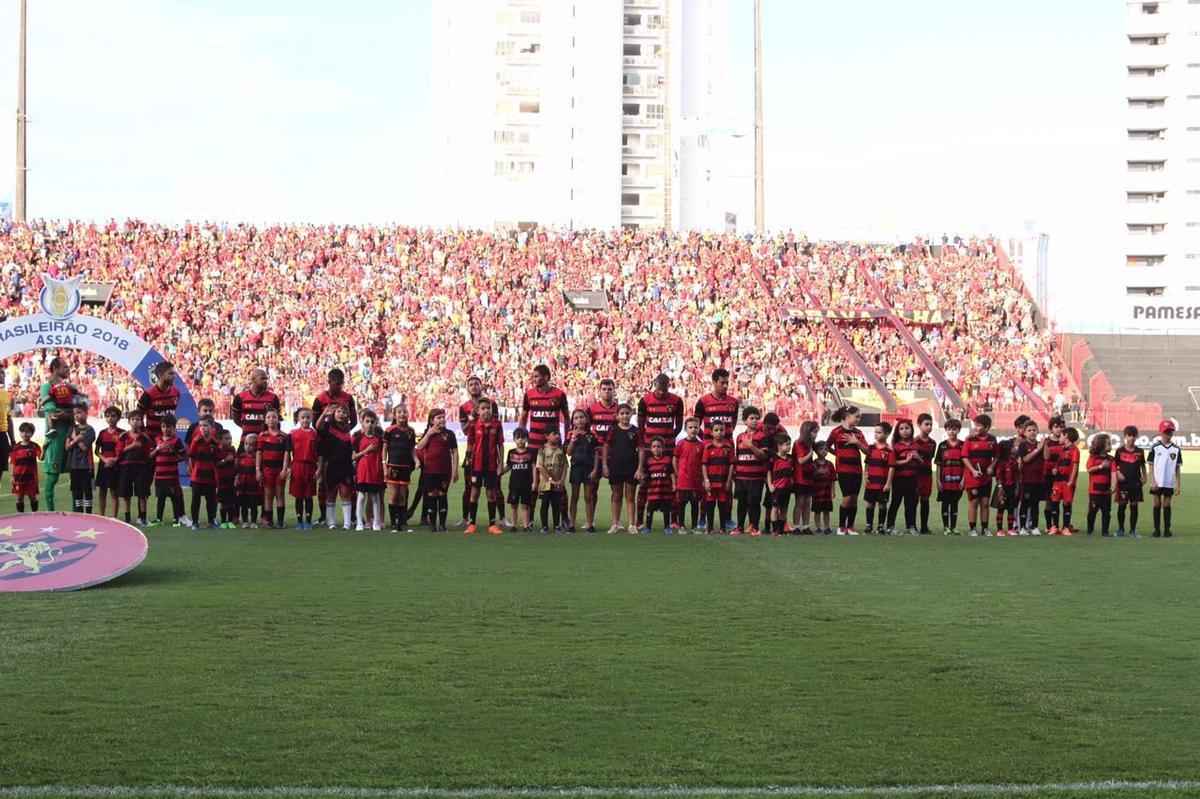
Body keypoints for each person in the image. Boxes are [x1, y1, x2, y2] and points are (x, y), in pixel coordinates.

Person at [635, 373, 685, 530]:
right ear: (654, 384)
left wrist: (669, 438)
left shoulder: (677, 401)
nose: (661, 392)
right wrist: (646, 444)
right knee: (644, 483)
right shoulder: (645, 401)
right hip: (650, 449)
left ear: (668, 386)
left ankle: (674, 519)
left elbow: (678, 425)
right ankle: (640, 520)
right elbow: (641, 424)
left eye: (664, 389)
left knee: (671, 483)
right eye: (659, 389)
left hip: (669, 449)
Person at [39, 357, 74, 511]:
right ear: (55, 369)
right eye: (65, 367)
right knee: (52, 477)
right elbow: (51, 411)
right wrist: (67, 414)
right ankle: (50, 512)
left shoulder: (69, 388)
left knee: (77, 475)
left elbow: (78, 411)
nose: (68, 370)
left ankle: (77, 512)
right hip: (55, 437)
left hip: (70, 434)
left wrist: (67, 414)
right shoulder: (46, 387)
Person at [465, 398, 505, 535]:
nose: (486, 410)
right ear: (477, 411)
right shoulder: (474, 425)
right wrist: (468, 459)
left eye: (488, 408)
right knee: (474, 493)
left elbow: (500, 445)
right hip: (477, 465)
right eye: (483, 408)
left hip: (492, 466)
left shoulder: (497, 425)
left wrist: (501, 463)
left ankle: (492, 524)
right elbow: (470, 444)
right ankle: (472, 524)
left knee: (491, 494)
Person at [414, 408, 458, 532]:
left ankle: (443, 524)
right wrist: (428, 434)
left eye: (443, 417)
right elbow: (419, 446)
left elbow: (454, 452)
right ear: (432, 420)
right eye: (438, 418)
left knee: (442, 495)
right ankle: (433, 524)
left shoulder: (449, 434)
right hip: (430, 471)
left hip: (445, 471)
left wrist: (455, 470)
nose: (442, 420)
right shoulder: (428, 433)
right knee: (431, 497)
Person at [827, 405, 869, 534]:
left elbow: (867, 451)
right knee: (847, 498)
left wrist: (857, 442)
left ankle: (850, 527)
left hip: (857, 469)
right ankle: (841, 527)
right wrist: (838, 455)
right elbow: (826, 447)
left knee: (854, 499)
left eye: (859, 417)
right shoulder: (836, 432)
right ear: (847, 416)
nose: (858, 419)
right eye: (856, 416)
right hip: (843, 470)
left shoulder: (858, 433)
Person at [585, 379, 619, 528]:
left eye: (609, 389)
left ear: (614, 390)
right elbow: (585, 430)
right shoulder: (592, 410)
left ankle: (615, 523)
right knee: (592, 489)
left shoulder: (619, 410)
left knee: (616, 489)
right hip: (595, 455)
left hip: (614, 455)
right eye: (604, 389)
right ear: (599, 391)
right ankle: (590, 522)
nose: (607, 391)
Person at [318, 404, 356, 531]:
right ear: (334, 414)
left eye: (344, 412)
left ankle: (347, 523)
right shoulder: (328, 427)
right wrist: (324, 414)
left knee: (346, 493)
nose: (341, 414)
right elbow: (318, 426)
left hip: (345, 465)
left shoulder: (348, 430)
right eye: (339, 411)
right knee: (331, 493)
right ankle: (331, 522)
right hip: (331, 465)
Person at [602, 404, 639, 534]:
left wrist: (639, 468)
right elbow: (606, 447)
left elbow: (641, 451)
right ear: (617, 416)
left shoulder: (635, 431)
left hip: (631, 466)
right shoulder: (612, 430)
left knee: (630, 496)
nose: (624, 416)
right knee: (616, 495)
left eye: (627, 413)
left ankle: (632, 524)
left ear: (631, 414)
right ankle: (615, 523)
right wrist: (605, 465)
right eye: (622, 413)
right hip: (615, 466)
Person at [733, 406, 769, 536]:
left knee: (754, 502)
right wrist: (735, 473)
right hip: (741, 477)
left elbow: (764, 456)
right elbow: (738, 456)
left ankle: (754, 527)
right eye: (751, 418)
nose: (754, 421)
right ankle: (740, 527)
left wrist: (751, 446)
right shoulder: (739, 437)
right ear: (744, 420)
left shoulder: (762, 437)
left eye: (756, 418)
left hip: (755, 477)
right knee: (741, 503)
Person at [150, 413, 190, 528]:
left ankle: (176, 519)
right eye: (163, 426)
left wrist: (173, 452)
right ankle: (158, 518)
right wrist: (157, 449)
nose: (166, 429)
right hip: (159, 476)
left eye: (169, 427)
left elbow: (183, 456)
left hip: (172, 476)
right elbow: (150, 455)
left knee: (174, 497)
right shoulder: (157, 440)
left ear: (174, 427)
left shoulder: (176, 441)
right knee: (160, 498)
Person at [456, 375, 485, 527]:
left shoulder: (490, 404)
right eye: (471, 384)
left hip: (488, 450)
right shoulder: (463, 408)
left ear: (481, 386)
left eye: (476, 384)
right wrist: (473, 418)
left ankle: (500, 518)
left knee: (494, 486)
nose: (474, 386)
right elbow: (465, 431)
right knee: (468, 486)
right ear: (468, 388)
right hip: (471, 451)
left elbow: (495, 423)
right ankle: (465, 518)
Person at [116, 409, 153, 526]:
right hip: (126, 467)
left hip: (141, 467)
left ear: (142, 422)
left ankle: (143, 517)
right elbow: (119, 452)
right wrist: (132, 446)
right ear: (129, 421)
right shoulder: (123, 436)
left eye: (138, 419)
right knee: (126, 494)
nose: (136, 422)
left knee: (142, 494)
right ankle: (127, 518)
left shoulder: (145, 437)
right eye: (133, 419)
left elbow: (148, 453)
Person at [565, 409, 600, 533]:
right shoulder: (570, 434)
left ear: (586, 419)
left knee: (588, 497)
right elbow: (568, 452)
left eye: (581, 417)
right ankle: (571, 524)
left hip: (589, 469)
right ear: (573, 420)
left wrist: (595, 469)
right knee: (574, 497)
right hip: (576, 468)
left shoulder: (592, 434)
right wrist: (572, 441)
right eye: (576, 418)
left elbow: (596, 453)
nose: (579, 420)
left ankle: (590, 524)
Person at [383, 405, 417, 532]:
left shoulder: (411, 431)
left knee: (403, 495)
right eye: (399, 412)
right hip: (393, 466)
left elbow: (412, 449)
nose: (402, 414)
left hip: (405, 467)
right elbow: (384, 449)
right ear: (395, 415)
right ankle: (393, 523)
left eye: (404, 412)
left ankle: (401, 523)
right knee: (394, 495)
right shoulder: (389, 430)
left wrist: (416, 460)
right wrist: (384, 464)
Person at [256, 410, 292, 528]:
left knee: (280, 494)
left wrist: (284, 469)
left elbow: (287, 454)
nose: (271, 419)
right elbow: (259, 454)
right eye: (268, 417)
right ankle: (269, 521)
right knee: (268, 495)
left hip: (279, 470)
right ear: (265, 420)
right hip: (267, 470)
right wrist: (258, 470)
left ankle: (280, 522)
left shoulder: (284, 436)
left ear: (278, 419)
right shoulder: (262, 436)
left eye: (274, 417)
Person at [963, 414, 997, 536]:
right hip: (973, 477)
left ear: (987, 428)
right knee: (974, 503)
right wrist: (972, 470)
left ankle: (985, 528)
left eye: (979, 425)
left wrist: (991, 466)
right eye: (975, 425)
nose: (976, 428)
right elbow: (964, 457)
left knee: (985, 503)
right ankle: (972, 529)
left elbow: (997, 456)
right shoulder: (969, 439)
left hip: (986, 478)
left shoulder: (992, 439)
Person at [886, 419, 922, 535]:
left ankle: (911, 526)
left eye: (907, 428)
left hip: (913, 478)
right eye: (901, 429)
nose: (905, 431)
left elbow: (922, 463)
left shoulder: (916, 445)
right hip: (899, 479)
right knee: (895, 502)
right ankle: (890, 526)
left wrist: (918, 458)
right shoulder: (895, 446)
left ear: (911, 430)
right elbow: (892, 463)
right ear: (898, 431)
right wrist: (906, 461)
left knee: (911, 503)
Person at [1148, 420, 1183, 538]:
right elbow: (1151, 465)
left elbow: (1177, 468)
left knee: (1167, 505)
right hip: (1157, 481)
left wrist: (1178, 484)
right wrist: (1152, 480)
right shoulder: (1155, 447)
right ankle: (1156, 530)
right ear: (1161, 432)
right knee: (1156, 504)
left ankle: (1167, 529)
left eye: (1170, 432)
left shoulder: (1176, 449)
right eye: (1166, 432)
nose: (1168, 435)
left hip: (1169, 482)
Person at [352, 410, 385, 532]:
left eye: (372, 421)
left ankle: (376, 522)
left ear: (376, 423)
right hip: (362, 472)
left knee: (375, 497)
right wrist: (366, 451)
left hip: (375, 471)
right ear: (362, 422)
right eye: (367, 421)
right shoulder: (358, 438)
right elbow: (354, 457)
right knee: (361, 497)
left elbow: (383, 455)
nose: (370, 424)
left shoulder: (379, 439)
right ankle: (360, 523)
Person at [701, 419, 735, 534]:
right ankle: (709, 527)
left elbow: (731, 465)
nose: (719, 432)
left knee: (722, 505)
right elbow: (704, 465)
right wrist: (706, 480)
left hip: (723, 482)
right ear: (711, 432)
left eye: (721, 430)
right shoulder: (708, 447)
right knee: (710, 505)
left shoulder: (728, 446)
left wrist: (729, 480)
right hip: (711, 482)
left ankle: (722, 528)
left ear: (725, 431)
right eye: (716, 430)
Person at [289, 408, 320, 530]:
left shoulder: (314, 434)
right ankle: (299, 521)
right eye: (303, 417)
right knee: (298, 496)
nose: (305, 420)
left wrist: (318, 469)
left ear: (311, 419)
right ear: (298, 419)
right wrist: (288, 467)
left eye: (308, 417)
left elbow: (319, 453)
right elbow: (288, 452)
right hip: (297, 466)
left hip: (310, 467)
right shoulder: (293, 434)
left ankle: (308, 521)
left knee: (308, 496)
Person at [673, 417, 705, 533]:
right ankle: (681, 526)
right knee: (681, 504)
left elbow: (703, 463)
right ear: (686, 429)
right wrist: (677, 473)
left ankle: (694, 526)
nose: (693, 429)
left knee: (695, 504)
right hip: (683, 481)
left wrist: (702, 478)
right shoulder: (681, 443)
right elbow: (675, 459)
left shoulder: (701, 445)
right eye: (690, 427)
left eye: (696, 427)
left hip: (696, 481)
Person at [935, 419, 966, 535]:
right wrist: (938, 480)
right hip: (945, 481)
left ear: (958, 430)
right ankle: (946, 527)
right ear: (946, 430)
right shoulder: (942, 445)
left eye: (954, 429)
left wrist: (964, 480)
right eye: (949, 429)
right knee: (945, 503)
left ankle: (953, 527)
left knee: (954, 504)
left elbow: (966, 465)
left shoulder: (963, 445)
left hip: (958, 481)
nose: (952, 432)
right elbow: (938, 465)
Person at [187, 418, 220, 529]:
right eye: (201, 426)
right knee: (195, 500)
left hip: (210, 476)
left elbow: (217, 457)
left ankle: (212, 520)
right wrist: (191, 470)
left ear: (211, 428)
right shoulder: (196, 440)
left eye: (205, 425)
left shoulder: (215, 442)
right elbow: (191, 455)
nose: (203, 428)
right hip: (197, 476)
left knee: (211, 500)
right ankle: (195, 522)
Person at [231, 368, 282, 439]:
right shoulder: (240, 397)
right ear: (253, 380)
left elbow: (277, 419)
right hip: (246, 441)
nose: (265, 381)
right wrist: (246, 427)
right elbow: (235, 418)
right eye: (262, 378)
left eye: (266, 379)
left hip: (266, 441)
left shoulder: (273, 398)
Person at [862, 422, 894, 535]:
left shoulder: (889, 451)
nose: (876, 434)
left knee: (882, 504)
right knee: (870, 503)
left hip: (882, 484)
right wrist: (865, 476)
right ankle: (868, 525)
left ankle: (880, 526)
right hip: (871, 482)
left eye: (879, 432)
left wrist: (888, 484)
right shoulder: (870, 448)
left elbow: (891, 468)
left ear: (887, 434)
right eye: (875, 432)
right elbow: (866, 464)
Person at [1115, 425, 1147, 537]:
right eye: (1129, 435)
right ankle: (1120, 529)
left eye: (1134, 436)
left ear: (1136, 437)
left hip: (1136, 483)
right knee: (1122, 506)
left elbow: (1143, 465)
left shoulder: (1140, 451)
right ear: (1125, 436)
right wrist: (1118, 474)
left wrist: (1145, 477)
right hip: (1123, 484)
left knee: (1134, 506)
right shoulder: (1119, 451)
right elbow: (1115, 466)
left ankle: (1133, 530)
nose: (1131, 438)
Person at [501, 427, 535, 530]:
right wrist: (500, 472)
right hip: (514, 484)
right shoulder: (511, 452)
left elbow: (533, 467)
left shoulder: (530, 452)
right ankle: (514, 525)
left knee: (525, 505)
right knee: (514, 505)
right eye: (518, 438)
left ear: (527, 439)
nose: (520, 440)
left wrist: (534, 482)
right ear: (514, 439)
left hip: (526, 484)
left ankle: (526, 525)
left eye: (523, 438)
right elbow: (508, 466)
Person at [137, 361, 181, 441]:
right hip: (152, 438)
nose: (174, 376)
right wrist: (143, 433)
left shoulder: (176, 392)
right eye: (170, 374)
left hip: (170, 439)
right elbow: (138, 415)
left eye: (174, 374)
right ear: (160, 375)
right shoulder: (148, 394)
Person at [65, 403, 96, 514]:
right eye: (74, 414)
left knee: (87, 491)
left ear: (86, 413)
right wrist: (75, 439)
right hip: (74, 466)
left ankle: (88, 514)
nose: (77, 416)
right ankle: (78, 513)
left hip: (86, 466)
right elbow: (67, 447)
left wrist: (75, 439)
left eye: (79, 412)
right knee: (76, 491)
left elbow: (84, 448)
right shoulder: (72, 429)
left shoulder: (90, 430)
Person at [694, 368, 740, 441]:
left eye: (727, 383)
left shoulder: (734, 402)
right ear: (714, 382)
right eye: (722, 383)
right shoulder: (703, 401)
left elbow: (733, 426)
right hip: (709, 448)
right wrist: (706, 439)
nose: (725, 386)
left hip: (727, 447)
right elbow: (695, 425)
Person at [535, 429, 567, 534]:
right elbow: (540, 466)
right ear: (547, 436)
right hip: (545, 484)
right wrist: (550, 480)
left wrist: (562, 480)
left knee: (556, 504)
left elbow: (565, 466)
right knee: (545, 504)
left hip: (558, 483)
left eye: (558, 434)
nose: (557, 436)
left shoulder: (561, 450)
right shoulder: (542, 449)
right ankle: (544, 526)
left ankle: (557, 526)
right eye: (554, 434)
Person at [1050, 427, 1081, 535]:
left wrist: (1071, 481)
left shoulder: (1075, 450)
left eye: (1062, 435)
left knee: (1067, 504)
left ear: (1066, 436)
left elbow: (1075, 466)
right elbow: (1058, 464)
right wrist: (1055, 469)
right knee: (1054, 503)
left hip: (1067, 482)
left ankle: (1066, 527)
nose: (1060, 437)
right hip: (1057, 481)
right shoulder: (1061, 449)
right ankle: (1055, 527)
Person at [1016, 419, 1044, 535]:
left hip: (1038, 479)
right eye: (1029, 430)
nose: (1032, 432)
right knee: (1025, 502)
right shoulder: (1023, 445)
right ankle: (1022, 527)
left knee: (1035, 503)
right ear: (1025, 432)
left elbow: (1046, 456)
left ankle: (1034, 527)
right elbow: (1025, 459)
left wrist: (1043, 445)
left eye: (1034, 430)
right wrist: (1038, 449)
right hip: (1026, 479)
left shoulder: (1040, 444)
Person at [1086, 433, 1117, 537]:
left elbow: (1113, 473)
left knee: (1106, 512)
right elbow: (1089, 470)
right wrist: (1101, 466)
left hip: (1106, 491)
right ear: (1101, 445)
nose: (1110, 445)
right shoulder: (1093, 457)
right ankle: (1090, 530)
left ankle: (1105, 532)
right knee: (1092, 512)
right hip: (1094, 491)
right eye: (1108, 443)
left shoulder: (1111, 459)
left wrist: (1113, 486)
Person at [790, 420, 819, 535]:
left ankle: (806, 526)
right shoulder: (799, 443)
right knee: (799, 502)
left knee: (808, 503)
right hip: (799, 477)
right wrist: (810, 453)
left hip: (809, 477)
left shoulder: (810, 443)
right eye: (814, 432)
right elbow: (800, 460)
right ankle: (796, 526)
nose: (815, 434)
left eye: (816, 432)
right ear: (807, 431)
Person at [94, 406, 123, 517]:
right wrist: (105, 459)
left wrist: (115, 460)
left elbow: (123, 450)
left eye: (113, 416)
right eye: (108, 416)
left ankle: (114, 517)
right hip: (103, 465)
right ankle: (102, 516)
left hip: (116, 466)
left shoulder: (122, 433)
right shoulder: (102, 433)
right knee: (102, 491)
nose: (110, 418)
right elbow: (97, 451)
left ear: (118, 418)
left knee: (114, 492)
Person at [1041, 416, 1068, 535]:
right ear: (1051, 428)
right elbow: (1045, 458)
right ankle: (1049, 525)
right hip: (1049, 475)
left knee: (1066, 500)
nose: (1059, 429)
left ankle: (1065, 526)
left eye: (1061, 427)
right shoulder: (1047, 441)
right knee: (1050, 500)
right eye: (1056, 427)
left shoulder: (1066, 442)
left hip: (1062, 476)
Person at [642, 437, 675, 534]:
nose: (656, 448)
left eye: (659, 446)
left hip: (665, 491)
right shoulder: (648, 461)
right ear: (651, 449)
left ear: (663, 448)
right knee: (650, 510)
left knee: (666, 510)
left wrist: (674, 484)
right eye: (654, 446)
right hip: (653, 492)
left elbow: (671, 473)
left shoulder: (667, 460)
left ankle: (667, 527)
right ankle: (648, 527)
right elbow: (646, 475)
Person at [914, 413, 937, 534]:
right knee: (914, 500)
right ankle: (912, 526)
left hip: (927, 474)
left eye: (931, 424)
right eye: (926, 424)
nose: (929, 427)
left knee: (925, 500)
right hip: (915, 474)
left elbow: (930, 458)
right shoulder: (914, 441)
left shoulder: (933, 443)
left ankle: (924, 527)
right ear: (919, 425)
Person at [768, 430, 794, 535]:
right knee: (775, 508)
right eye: (787, 445)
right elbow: (769, 472)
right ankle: (774, 530)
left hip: (787, 489)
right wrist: (770, 485)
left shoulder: (790, 458)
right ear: (779, 446)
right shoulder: (773, 458)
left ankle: (781, 529)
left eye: (790, 444)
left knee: (784, 509)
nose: (789, 447)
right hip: (777, 488)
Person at [11, 423, 41, 512]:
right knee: (19, 498)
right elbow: (13, 463)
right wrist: (12, 476)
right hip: (18, 477)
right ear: (20, 433)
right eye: (23, 432)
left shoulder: (34, 446)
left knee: (32, 497)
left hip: (31, 478)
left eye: (28, 432)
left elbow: (41, 457)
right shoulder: (16, 447)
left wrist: (46, 446)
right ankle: (21, 518)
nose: (25, 434)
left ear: (32, 434)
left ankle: (35, 516)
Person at [992, 439, 1019, 536]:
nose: (1014, 448)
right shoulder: (1001, 463)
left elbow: (1016, 476)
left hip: (1012, 487)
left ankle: (1010, 529)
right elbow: (998, 476)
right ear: (1007, 449)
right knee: (1001, 508)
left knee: (1011, 509)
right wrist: (1000, 488)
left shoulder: (1014, 461)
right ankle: (999, 529)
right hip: (1002, 488)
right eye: (1012, 447)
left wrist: (1016, 487)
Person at [810, 440, 836, 536]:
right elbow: (811, 478)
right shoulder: (813, 464)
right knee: (817, 510)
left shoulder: (830, 464)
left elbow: (833, 479)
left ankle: (827, 527)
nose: (824, 451)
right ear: (816, 451)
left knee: (826, 511)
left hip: (827, 492)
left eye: (826, 449)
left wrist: (833, 491)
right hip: (816, 492)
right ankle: (818, 527)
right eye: (821, 449)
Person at [235, 434, 262, 528]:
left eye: (251, 444)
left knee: (253, 504)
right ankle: (245, 521)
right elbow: (237, 470)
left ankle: (254, 521)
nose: (248, 446)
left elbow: (259, 470)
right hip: (243, 484)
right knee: (244, 504)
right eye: (246, 444)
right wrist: (237, 479)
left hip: (253, 484)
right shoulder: (240, 456)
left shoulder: (257, 457)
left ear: (255, 446)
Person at [216, 430, 238, 528]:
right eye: (226, 439)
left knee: (231, 502)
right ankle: (223, 522)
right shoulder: (218, 451)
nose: (229, 441)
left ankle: (230, 521)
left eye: (230, 438)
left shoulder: (232, 450)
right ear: (220, 440)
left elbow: (236, 464)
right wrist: (225, 460)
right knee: (223, 503)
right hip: (221, 481)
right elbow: (216, 464)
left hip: (231, 481)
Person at [0, 373, 13, 494]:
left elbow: (8, 417)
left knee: (2, 465)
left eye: (3, 374)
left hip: (2, 433)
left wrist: (12, 439)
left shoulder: (6, 394)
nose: (2, 376)